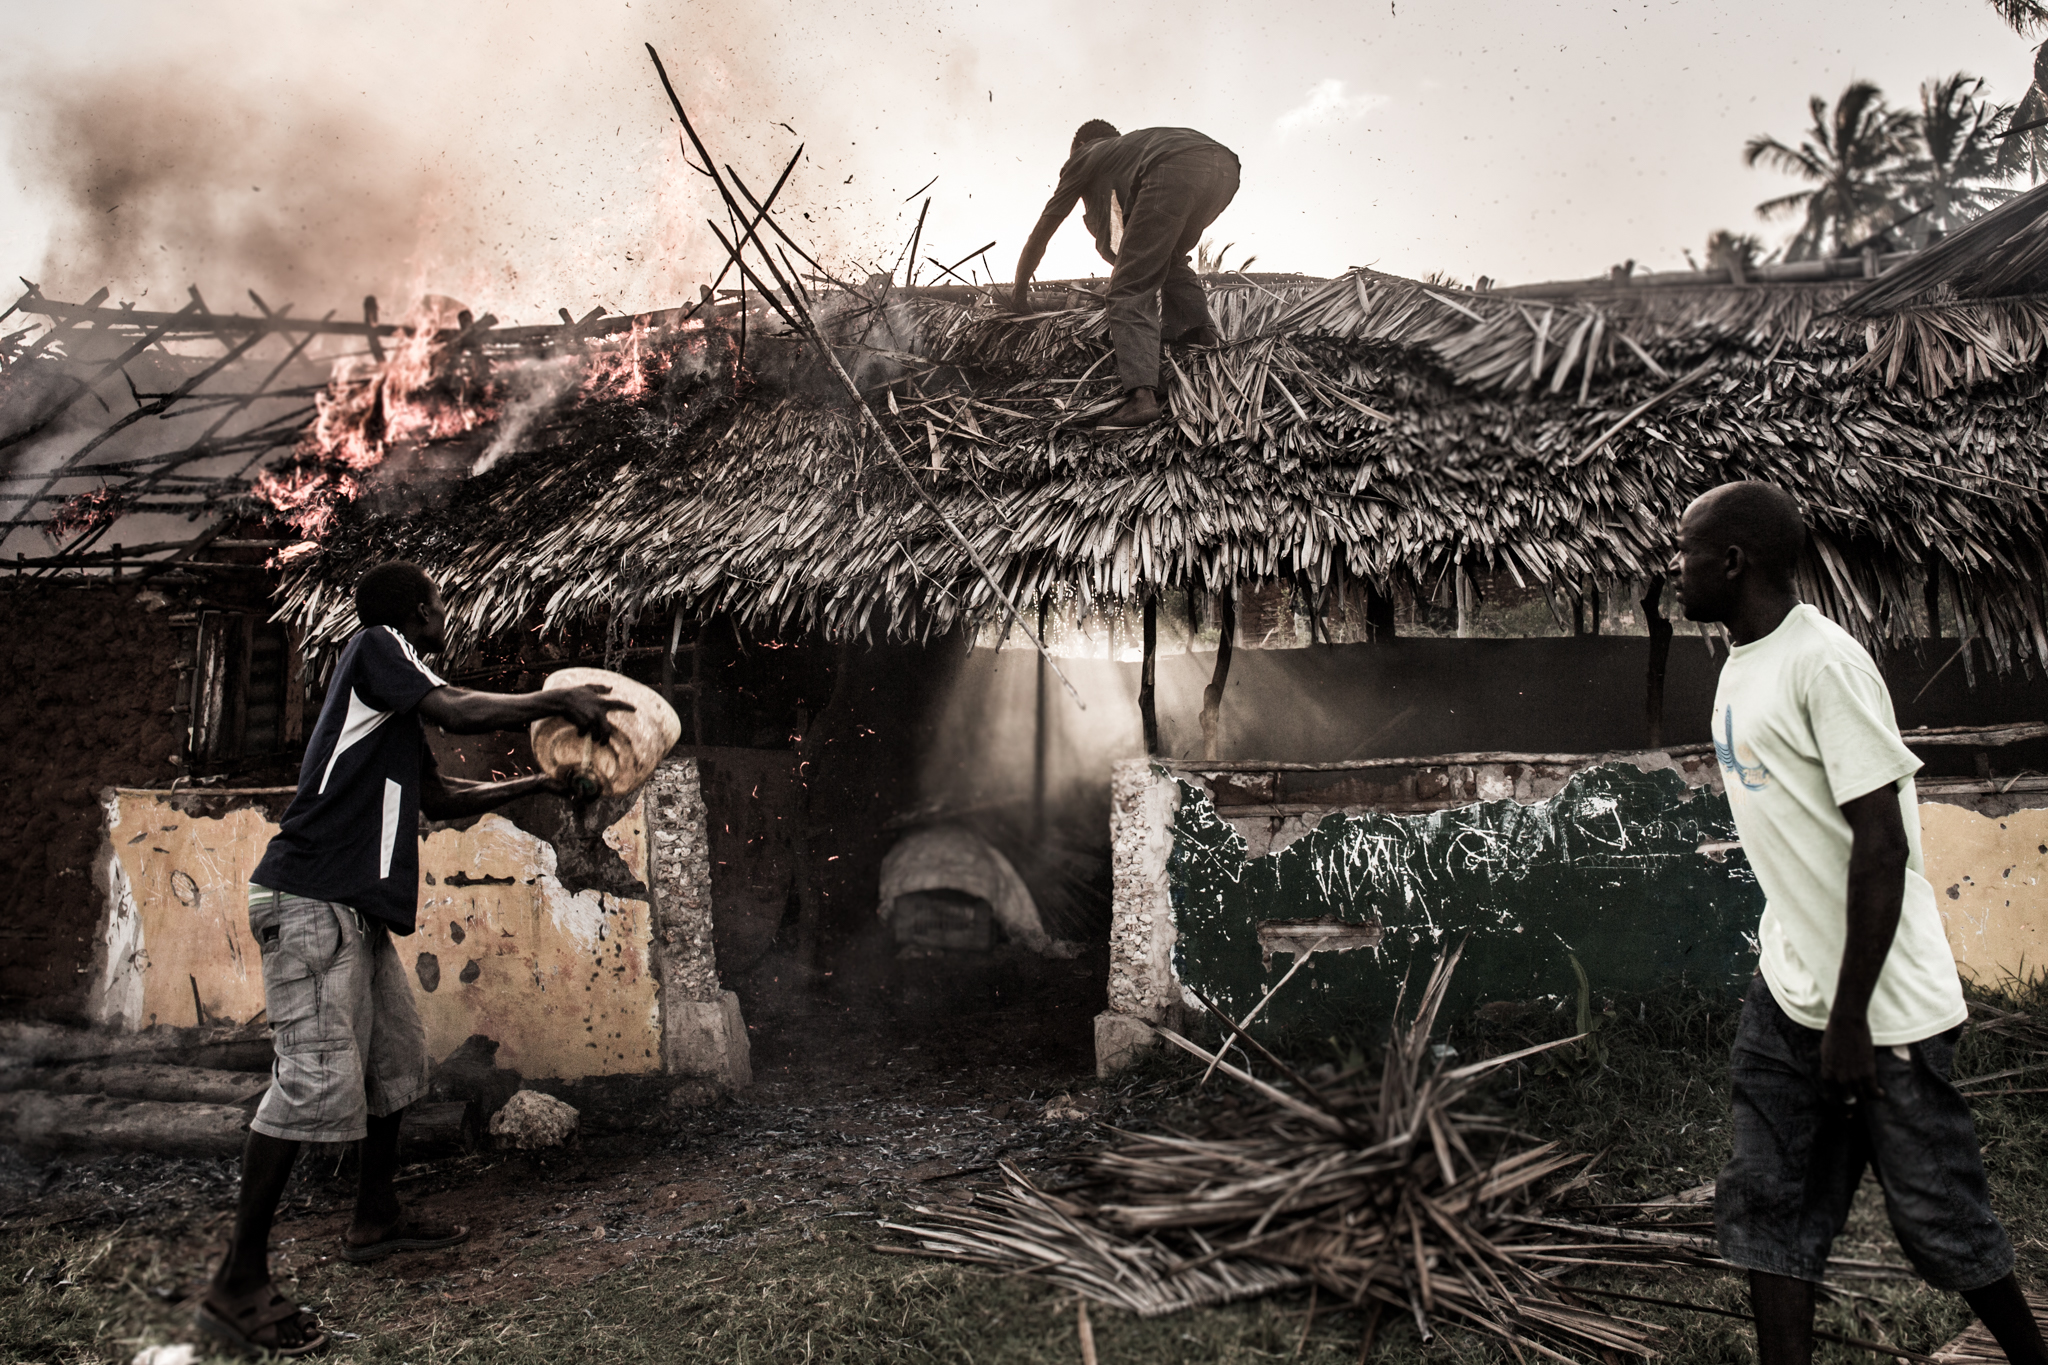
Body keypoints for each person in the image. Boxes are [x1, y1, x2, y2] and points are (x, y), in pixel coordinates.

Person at [197, 561, 633, 1357]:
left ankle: (375, 1216)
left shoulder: (390, 710)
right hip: (309, 900)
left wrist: (544, 780)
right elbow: (456, 706)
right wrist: (554, 699)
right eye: (440, 603)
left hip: (350, 912)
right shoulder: (377, 647)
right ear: (415, 614)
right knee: (309, 1081)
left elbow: (440, 800)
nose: (447, 613)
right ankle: (238, 1279)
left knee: (395, 1060)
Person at [1671, 482, 2046, 1365]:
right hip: (1791, 989)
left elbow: (1882, 847)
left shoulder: (1824, 663)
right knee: (1768, 1208)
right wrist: (1810, 997)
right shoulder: (1742, 659)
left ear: (1733, 561)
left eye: (1683, 551)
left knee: (1938, 1222)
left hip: (1884, 1007)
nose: (1671, 569)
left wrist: (1850, 1020)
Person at [1011, 120, 1240, 431]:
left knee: (1127, 291)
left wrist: (1019, 290)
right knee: (1170, 258)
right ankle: (1202, 334)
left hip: (1173, 169)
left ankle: (1141, 399)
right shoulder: (1130, 151)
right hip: (1224, 169)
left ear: (1078, 145)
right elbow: (1135, 234)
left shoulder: (1085, 154)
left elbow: (1046, 227)